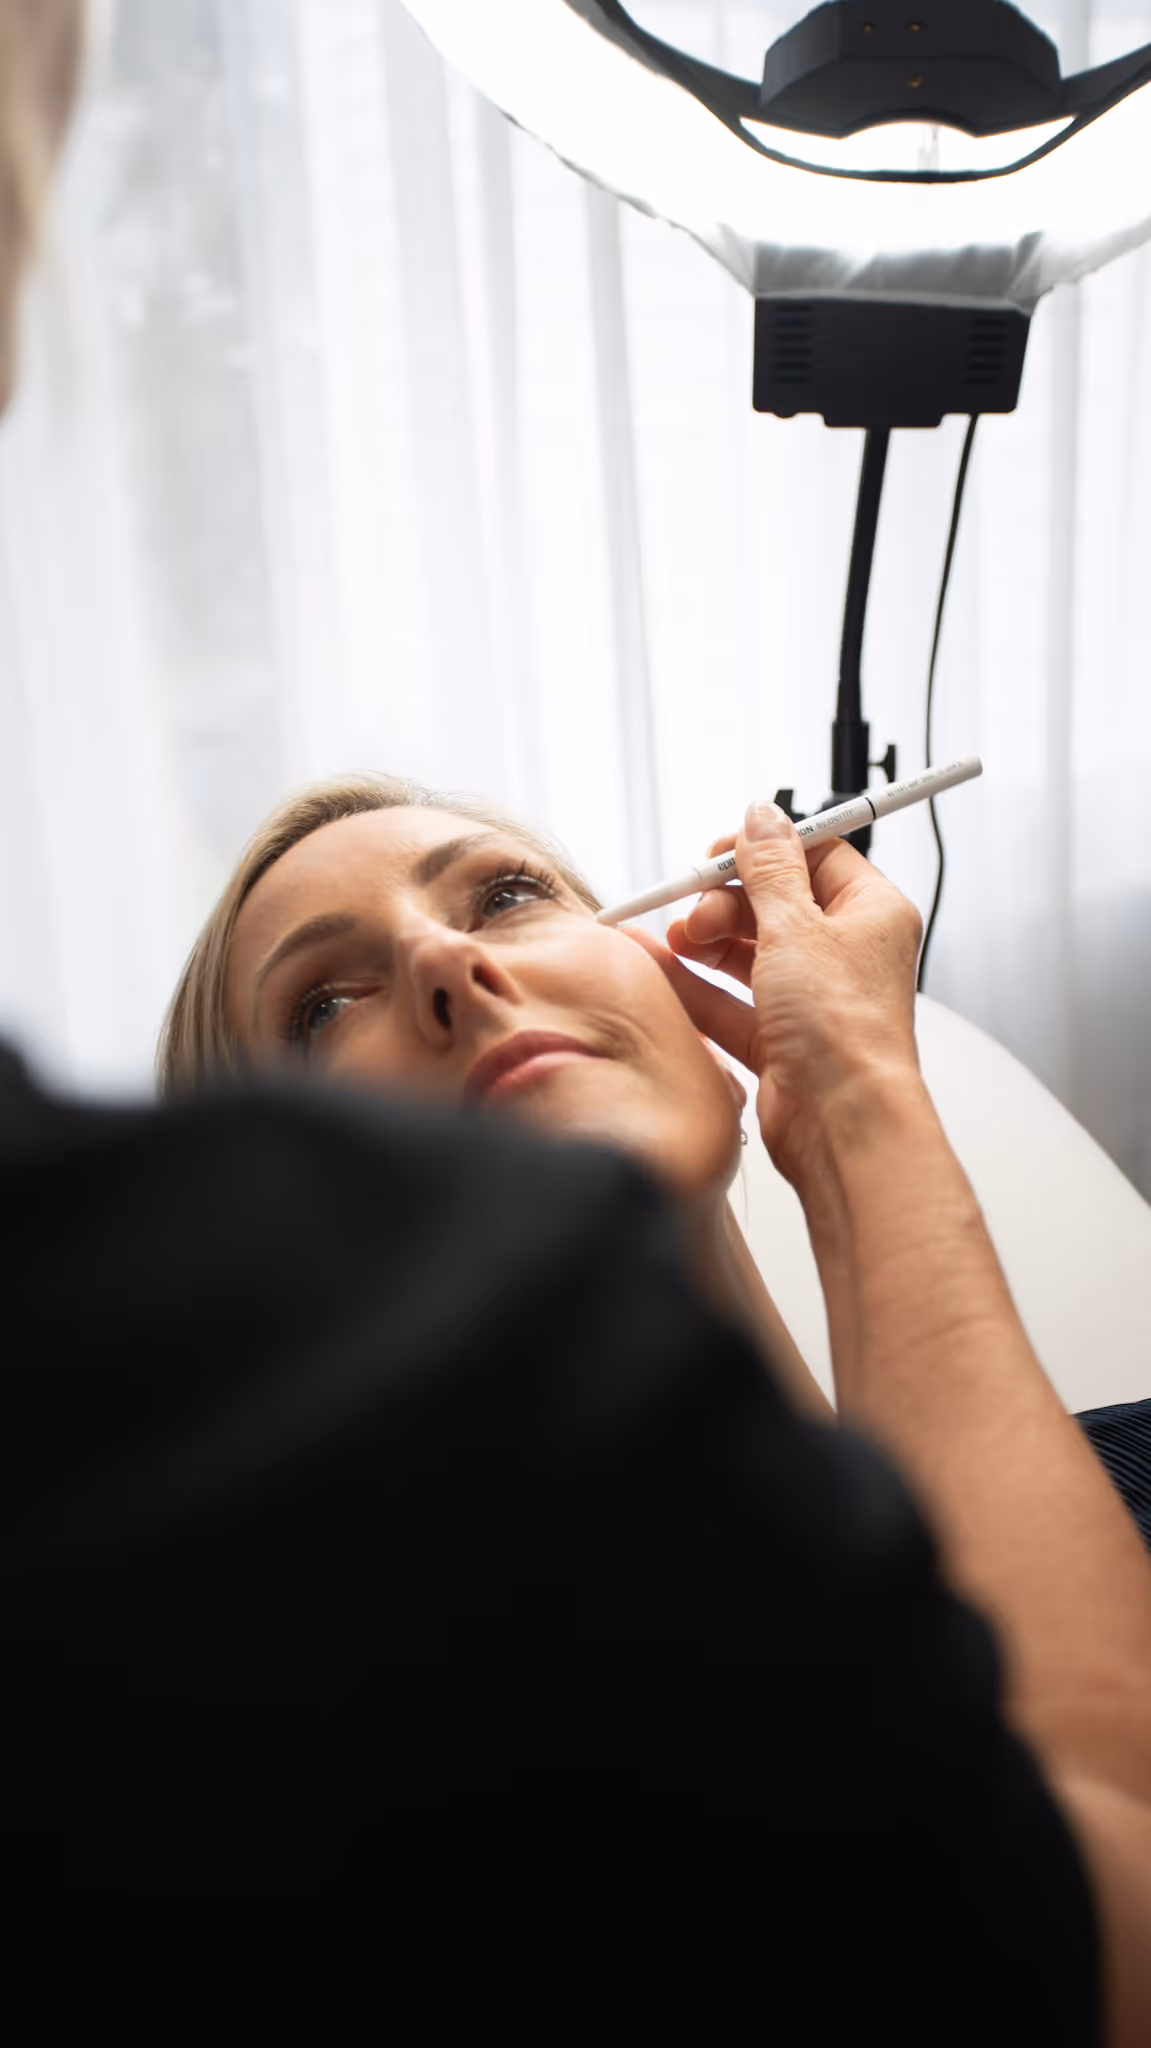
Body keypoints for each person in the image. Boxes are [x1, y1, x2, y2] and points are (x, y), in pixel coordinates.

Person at [3, 4, 1151, 2039]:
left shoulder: (1102, 1492)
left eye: (510, 894)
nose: (449, 967)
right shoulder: (441, 1700)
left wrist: (840, 1085)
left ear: (678, 974)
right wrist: (858, 1087)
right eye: (324, 1000)